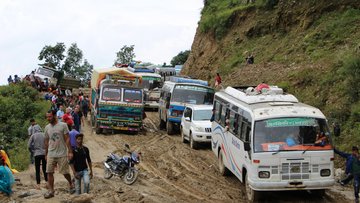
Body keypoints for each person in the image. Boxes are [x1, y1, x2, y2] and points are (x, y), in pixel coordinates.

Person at [44, 109, 74, 199]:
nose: (48, 118)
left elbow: (67, 139)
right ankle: (51, 191)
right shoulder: (47, 128)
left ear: (54, 116)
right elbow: (46, 141)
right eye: (47, 117)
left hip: (61, 153)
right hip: (51, 153)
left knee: (65, 172)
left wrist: (70, 151)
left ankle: (71, 184)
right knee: (49, 172)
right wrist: (45, 154)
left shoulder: (63, 125)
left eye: (50, 116)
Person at [28, 125, 47, 189]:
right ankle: (47, 182)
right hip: (44, 153)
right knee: (45, 168)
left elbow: (29, 146)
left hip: (36, 154)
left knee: (37, 169)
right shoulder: (44, 134)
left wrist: (32, 151)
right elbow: (48, 143)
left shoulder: (33, 135)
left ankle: (38, 184)